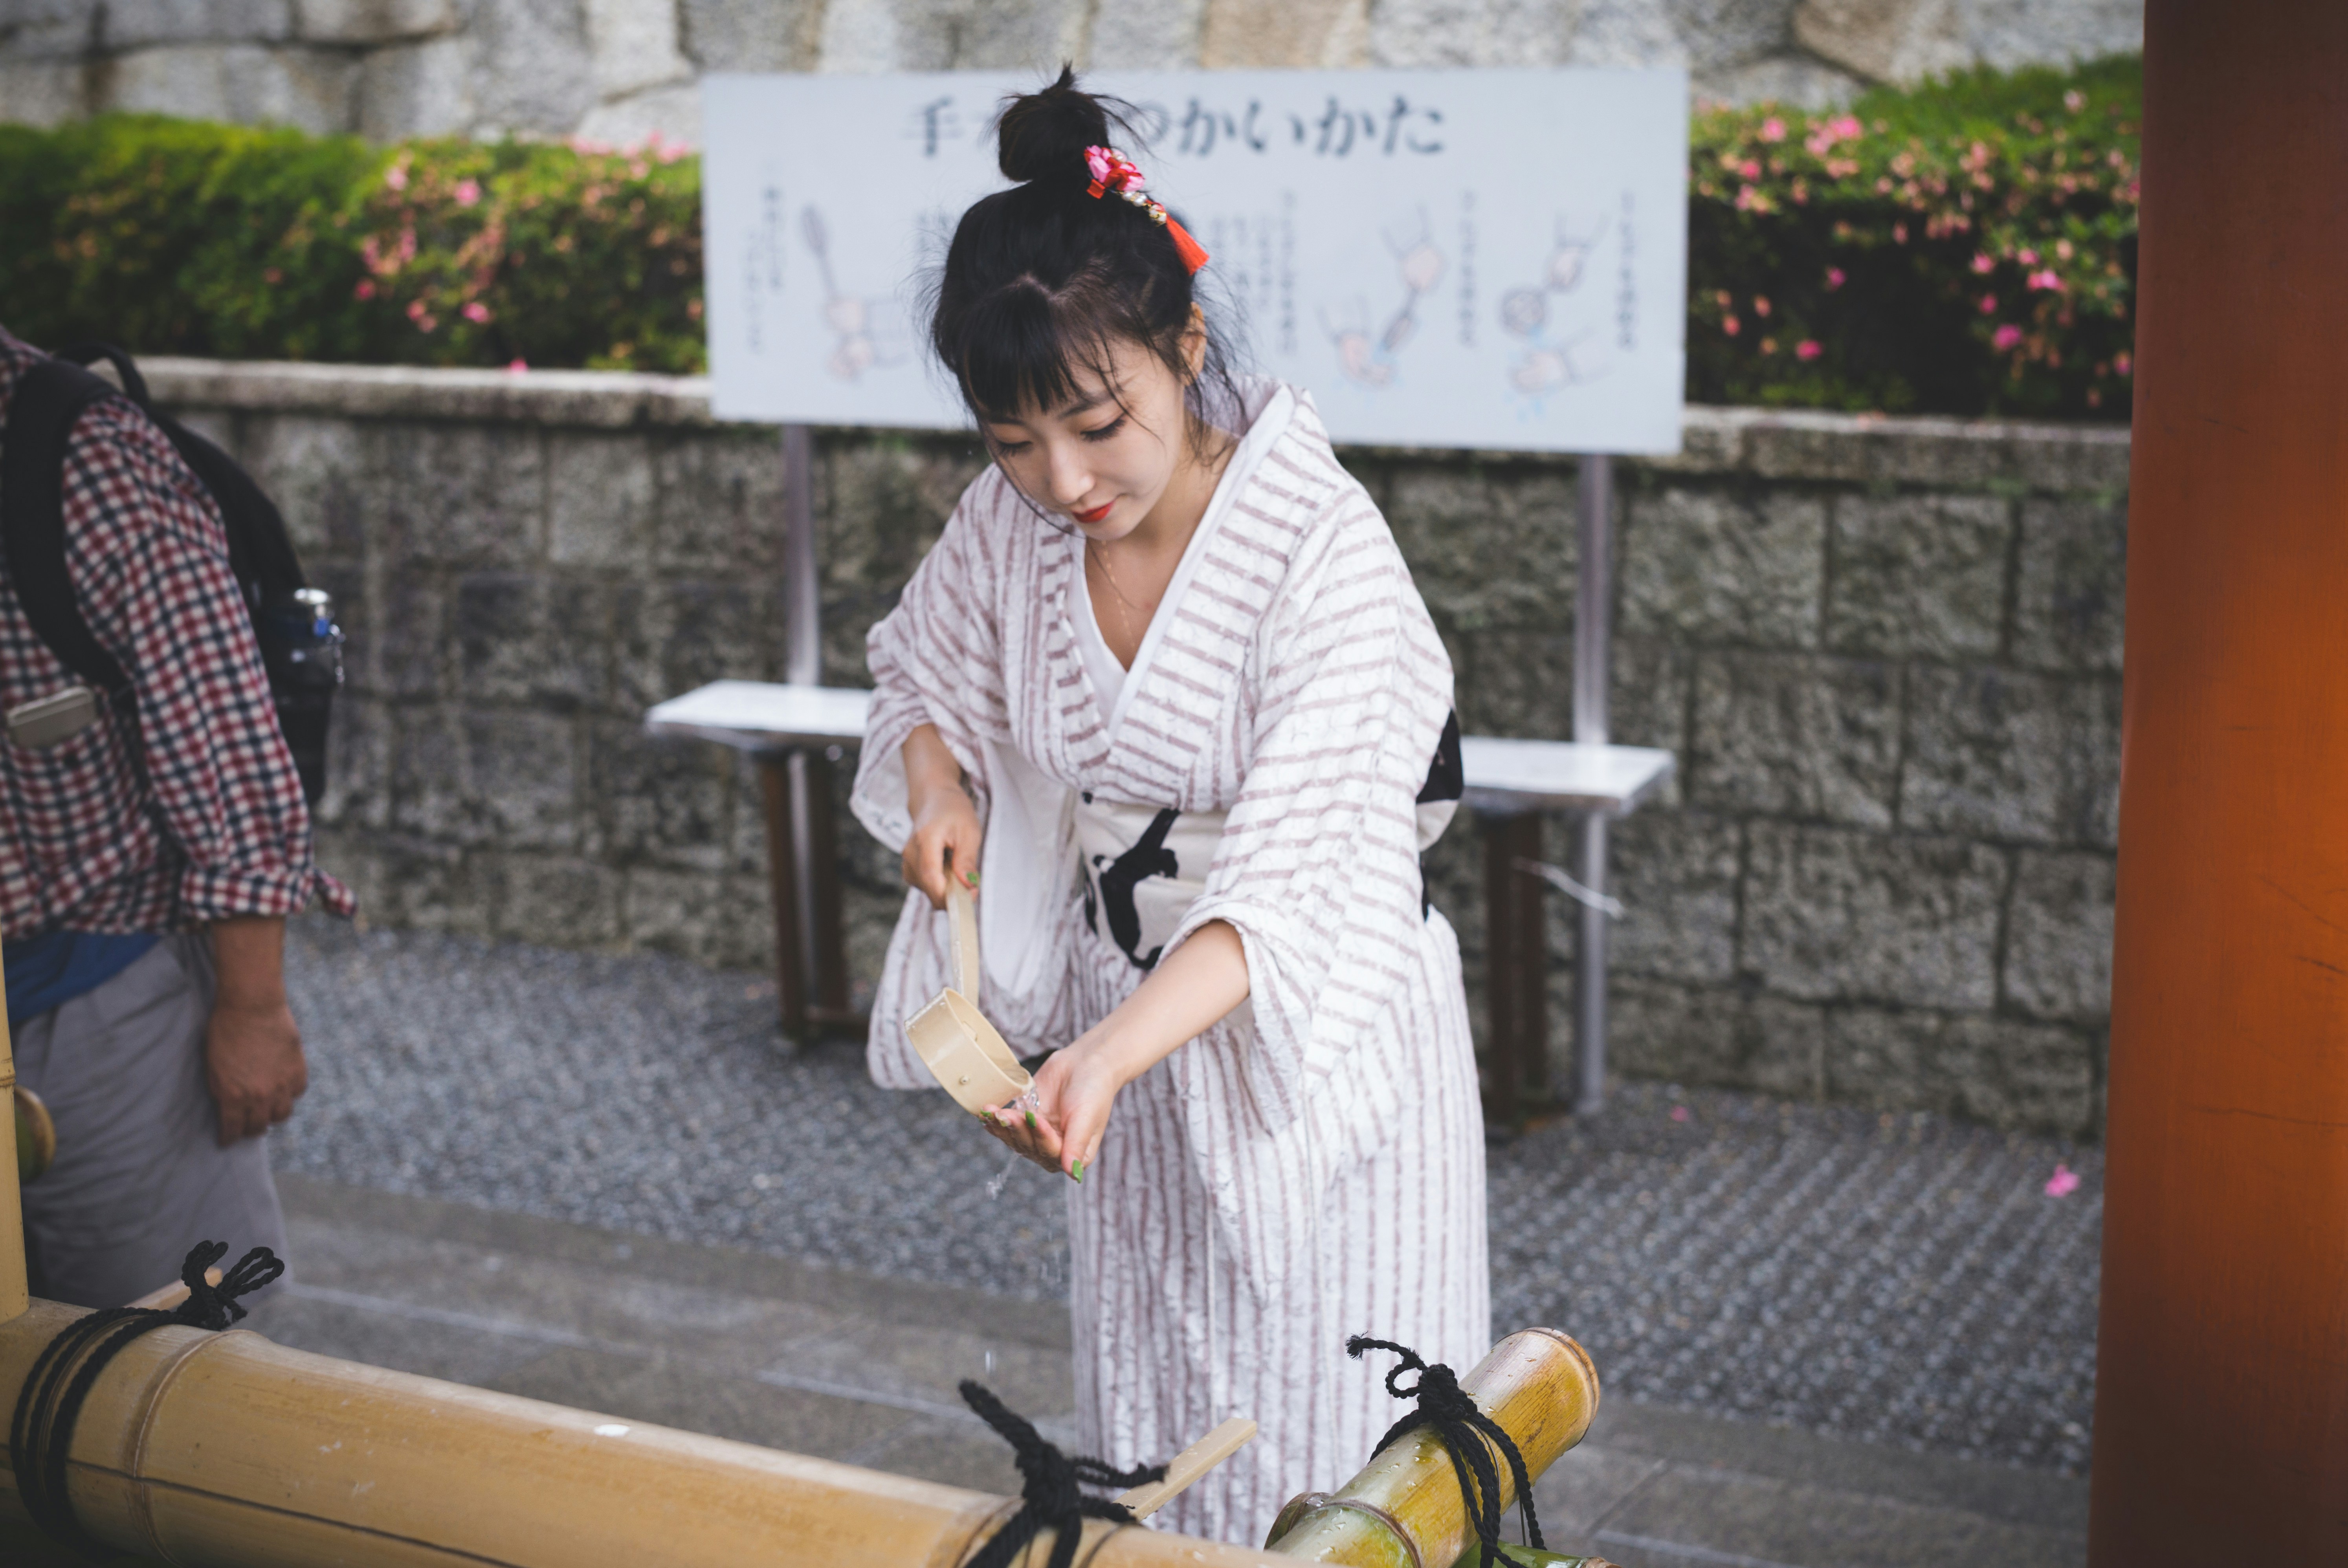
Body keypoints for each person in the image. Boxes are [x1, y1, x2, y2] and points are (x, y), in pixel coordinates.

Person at [849, 71, 1486, 1542]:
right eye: (1013, 442)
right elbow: (917, 673)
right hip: (1120, 1036)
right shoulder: (1007, 526)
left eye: (1097, 422)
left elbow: (1293, 877)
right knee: (1153, 1435)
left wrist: (1104, 1057)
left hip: (1313, 1052)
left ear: (1182, 345)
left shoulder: (1318, 552)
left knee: (1345, 1439)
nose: (1061, 481)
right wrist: (938, 784)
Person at [0, 324, 352, 1308]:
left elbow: (230, 766)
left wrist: (251, 1008)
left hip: (98, 996)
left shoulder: (90, 466)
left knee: (177, 1365)